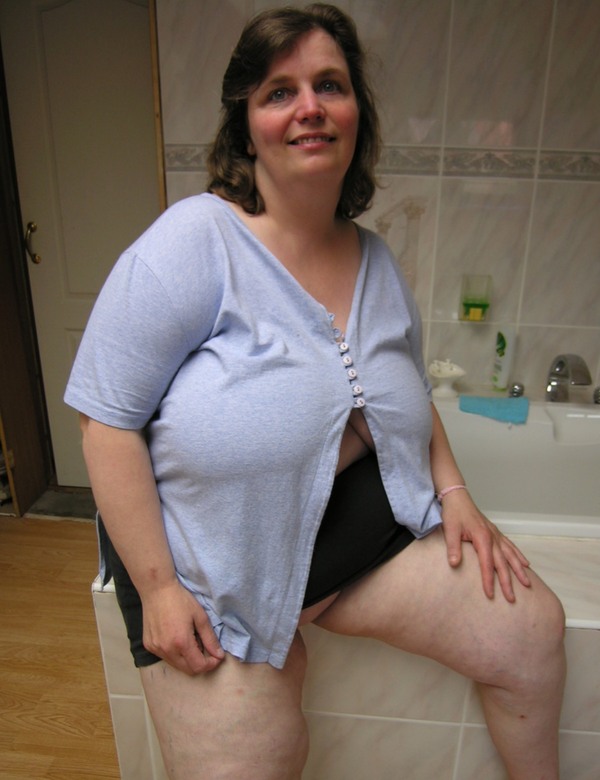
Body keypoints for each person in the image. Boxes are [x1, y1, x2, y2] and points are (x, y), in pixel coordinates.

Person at [65, 4, 566, 778]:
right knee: (255, 760)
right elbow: (104, 422)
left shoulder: (376, 260)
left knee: (530, 631)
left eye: (329, 85)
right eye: (280, 91)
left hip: (349, 529)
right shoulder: (194, 241)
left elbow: (406, 392)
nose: (309, 107)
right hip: (208, 564)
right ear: (246, 125)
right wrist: (159, 590)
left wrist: (456, 494)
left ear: (356, 113)